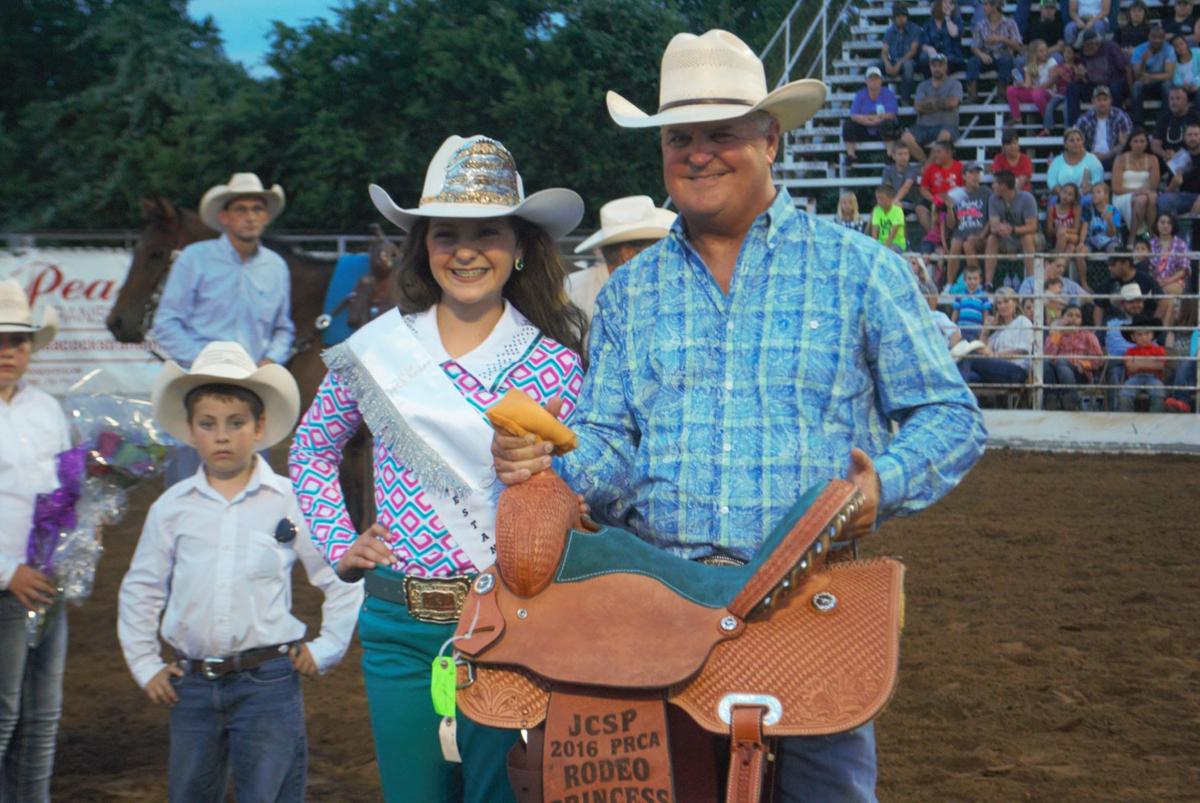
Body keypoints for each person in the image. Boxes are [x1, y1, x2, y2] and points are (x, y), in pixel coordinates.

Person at [503, 27, 986, 801]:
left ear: (771, 139)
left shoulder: (860, 269)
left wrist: (879, 485)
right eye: (679, 137)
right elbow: (612, 446)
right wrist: (555, 464)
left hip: (809, 599)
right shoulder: (631, 292)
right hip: (658, 607)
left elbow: (949, 415)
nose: (697, 152)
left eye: (721, 133)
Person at [290, 134, 587, 803]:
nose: (466, 250)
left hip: (516, 623)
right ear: (423, 245)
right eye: (446, 233)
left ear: (518, 247)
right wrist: (341, 543)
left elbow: (584, 491)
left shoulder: (557, 364)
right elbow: (310, 449)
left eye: (487, 231)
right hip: (398, 625)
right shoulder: (375, 351)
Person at [117, 341, 363, 803]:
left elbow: (342, 573)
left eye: (236, 424)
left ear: (259, 426)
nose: (223, 437)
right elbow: (141, 588)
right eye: (208, 425)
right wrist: (145, 663)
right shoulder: (171, 509)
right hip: (191, 685)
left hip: (268, 682)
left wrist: (327, 647)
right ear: (191, 432)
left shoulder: (291, 500)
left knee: (268, 794)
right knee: (191, 792)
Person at [152, 172, 294, 487]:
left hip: (251, 388)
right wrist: (209, 362)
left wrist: (271, 358)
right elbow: (165, 323)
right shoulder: (194, 259)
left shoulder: (276, 267)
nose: (250, 217)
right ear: (224, 217)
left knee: (254, 481)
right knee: (188, 484)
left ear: (266, 217)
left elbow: (284, 327)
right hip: (201, 385)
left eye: (257, 209)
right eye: (241, 209)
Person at [0, 280, 66, 803]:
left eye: (16, 342)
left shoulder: (47, 409)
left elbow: (68, 494)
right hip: (8, 586)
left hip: (46, 581)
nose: (7, 352)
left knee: (42, 715)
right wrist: (8, 572)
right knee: (3, 714)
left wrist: (77, 542)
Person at [569, 195, 676, 322]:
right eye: (659, 248)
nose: (667, 255)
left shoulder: (663, 289)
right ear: (628, 254)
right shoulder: (574, 293)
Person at [958, 287, 1034, 387]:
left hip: (1016, 369)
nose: (1002, 306)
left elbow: (1023, 350)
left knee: (969, 351)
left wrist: (996, 355)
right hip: (996, 368)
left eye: (1006, 301)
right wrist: (986, 330)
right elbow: (984, 351)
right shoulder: (998, 331)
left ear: (1015, 302)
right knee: (970, 373)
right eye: (999, 303)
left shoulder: (1022, 321)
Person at [899, 53, 962, 162]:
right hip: (923, 126)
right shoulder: (923, 86)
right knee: (905, 137)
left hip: (947, 126)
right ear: (930, 67)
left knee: (944, 136)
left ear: (946, 67)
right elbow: (918, 107)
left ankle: (927, 168)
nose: (937, 68)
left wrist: (931, 102)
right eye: (934, 65)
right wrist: (942, 104)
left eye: (940, 65)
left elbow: (952, 103)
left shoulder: (955, 84)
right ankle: (927, 165)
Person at [1043, 301, 1104, 408]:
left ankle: (1071, 399)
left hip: (1080, 374)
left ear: (1081, 320)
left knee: (1062, 361)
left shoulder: (1087, 335)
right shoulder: (1055, 334)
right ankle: (1051, 399)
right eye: (1069, 315)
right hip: (1056, 375)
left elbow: (1098, 360)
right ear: (1062, 318)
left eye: (1077, 316)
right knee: (1046, 364)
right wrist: (1059, 333)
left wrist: (1083, 365)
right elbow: (1047, 355)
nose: (1074, 318)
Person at [985, 170, 1040, 286]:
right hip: (1006, 238)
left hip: (1031, 238)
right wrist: (1000, 229)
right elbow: (993, 226)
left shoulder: (1027, 198)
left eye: (994, 183)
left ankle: (1030, 282)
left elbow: (1032, 227)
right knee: (991, 238)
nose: (992, 186)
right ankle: (988, 283)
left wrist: (1012, 229)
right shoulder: (993, 199)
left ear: (1003, 186)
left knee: (1026, 238)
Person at [1147, 212, 1192, 344]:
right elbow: (1147, 267)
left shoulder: (1180, 244)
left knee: (1168, 292)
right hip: (1154, 282)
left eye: (1169, 223)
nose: (1165, 226)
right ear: (1156, 224)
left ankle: (1152, 330)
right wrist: (1155, 281)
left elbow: (1184, 270)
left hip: (1174, 281)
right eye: (1162, 222)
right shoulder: (1151, 244)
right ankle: (1164, 335)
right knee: (1170, 300)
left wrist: (1167, 281)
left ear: (1173, 226)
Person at [967, 0, 1023, 103]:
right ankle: (972, 95)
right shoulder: (980, 25)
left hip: (1003, 56)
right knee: (972, 62)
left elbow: (1018, 46)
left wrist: (1002, 39)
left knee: (1006, 60)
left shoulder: (1010, 23)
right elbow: (974, 46)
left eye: (986, 4)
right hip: (986, 56)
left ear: (995, 6)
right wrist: (981, 54)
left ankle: (1001, 95)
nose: (983, 7)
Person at [1066, 29, 1127, 124]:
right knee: (1072, 87)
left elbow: (1124, 68)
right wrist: (1081, 76)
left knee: (1115, 87)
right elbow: (1086, 79)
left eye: (1094, 44)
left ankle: (1117, 122)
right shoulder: (1083, 54)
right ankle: (1075, 126)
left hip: (1112, 84)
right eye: (1085, 46)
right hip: (1093, 86)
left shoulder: (1110, 47)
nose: (1090, 48)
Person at [1101, 281, 1146, 406]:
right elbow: (1099, 344)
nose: (1137, 305)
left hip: (1141, 362)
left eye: (1139, 301)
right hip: (1116, 362)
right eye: (1132, 302)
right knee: (1114, 372)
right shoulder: (1109, 322)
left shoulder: (1148, 321)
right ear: (1122, 304)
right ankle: (1115, 412)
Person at [844, 66, 902, 164]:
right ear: (866, 81)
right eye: (871, 79)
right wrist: (871, 120)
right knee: (848, 125)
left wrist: (874, 120)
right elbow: (853, 115)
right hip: (865, 127)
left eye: (876, 78)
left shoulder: (888, 94)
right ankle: (851, 155)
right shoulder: (860, 94)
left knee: (888, 124)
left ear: (881, 80)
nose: (874, 81)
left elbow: (891, 113)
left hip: (882, 127)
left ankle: (890, 155)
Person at [1111, 129, 1160, 246]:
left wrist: (1144, 191)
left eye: (1142, 141)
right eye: (1135, 141)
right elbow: (1116, 188)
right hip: (1122, 195)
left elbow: (1154, 185)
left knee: (1151, 198)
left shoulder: (1153, 159)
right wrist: (1137, 191)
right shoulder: (1120, 159)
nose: (1139, 144)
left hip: (1145, 193)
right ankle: (1132, 238)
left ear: (1147, 143)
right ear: (1130, 143)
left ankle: (1152, 236)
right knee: (1142, 199)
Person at [947, 162, 991, 285]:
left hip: (979, 235)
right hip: (960, 233)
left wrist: (981, 235)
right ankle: (949, 284)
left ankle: (977, 284)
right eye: (971, 173)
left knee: (968, 244)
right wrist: (949, 208)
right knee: (956, 243)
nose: (975, 176)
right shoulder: (955, 194)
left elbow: (991, 219)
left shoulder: (986, 193)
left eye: (978, 173)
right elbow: (950, 225)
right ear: (964, 176)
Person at [1092, 252, 1163, 327]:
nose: (1109, 268)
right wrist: (1098, 329)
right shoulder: (1108, 282)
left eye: (1113, 264)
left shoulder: (1145, 279)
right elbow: (1099, 305)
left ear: (1126, 264)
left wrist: (1154, 326)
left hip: (1144, 326)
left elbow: (1163, 301)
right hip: (1116, 324)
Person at [1129, 24, 1176, 128]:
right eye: (1154, 37)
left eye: (1160, 38)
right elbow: (1137, 76)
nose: (1157, 40)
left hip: (1159, 82)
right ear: (1149, 37)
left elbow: (1169, 75)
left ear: (1164, 38)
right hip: (1145, 84)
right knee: (1137, 86)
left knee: (1168, 85)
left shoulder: (1169, 49)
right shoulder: (1139, 50)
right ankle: (1138, 124)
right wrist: (1143, 62)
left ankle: (1164, 122)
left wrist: (1150, 77)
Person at [1118, 313, 1168, 410]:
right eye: (1139, 334)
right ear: (1133, 337)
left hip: (1154, 378)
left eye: (1147, 333)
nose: (1144, 337)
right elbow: (1130, 367)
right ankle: (1126, 421)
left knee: (1159, 393)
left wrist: (1138, 363)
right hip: (1134, 378)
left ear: (1152, 334)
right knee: (1124, 394)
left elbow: (1160, 365)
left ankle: (1155, 421)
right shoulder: (1130, 351)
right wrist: (1151, 362)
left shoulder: (1159, 350)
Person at [1075, 84, 1132, 168]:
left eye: (1105, 100)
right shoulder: (1084, 119)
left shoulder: (1120, 116)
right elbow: (1076, 143)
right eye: (1098, 100)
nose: (1102, 103)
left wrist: (1106, 155)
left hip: (1114, 157)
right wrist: (1091, 155)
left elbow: (1124, 144)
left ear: (1110, 100)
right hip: (1089, 157)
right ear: (1093, 101)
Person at [918, 139, 964, 243]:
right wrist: (934, 199)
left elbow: (964, 190)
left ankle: (946, 239)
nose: (935, 155)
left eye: (938, 152)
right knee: (920, 209)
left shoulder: (960, 167)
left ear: (948, 153)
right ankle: (934, 235)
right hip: (935, 199)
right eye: (934, 152)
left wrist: (950, 198)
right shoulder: (930, 168)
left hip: (952, 201)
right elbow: (923, 189)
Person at [881, 2, 922, 106]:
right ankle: (881, 101)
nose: (901, 19)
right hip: (893, 60)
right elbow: (884, 51)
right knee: (872, 67)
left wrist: (898, 64)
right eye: (898, 16)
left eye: (903, 16)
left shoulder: (915, 29)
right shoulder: (889, 31)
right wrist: (887, 64)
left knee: (908, 66)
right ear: (894, 18)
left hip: (909, 60)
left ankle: (905, 100)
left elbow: (913, 51)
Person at [1046, 127, 1104, 200]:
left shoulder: (1092, 159)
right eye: (1072, 140)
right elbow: (1052, 181)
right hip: (1062, 197)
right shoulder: (1057, 161)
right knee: (1053, 201)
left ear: (1082, 142)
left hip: (1085, 195)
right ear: (1065, 144)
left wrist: (1082, 192)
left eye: (1078, 140)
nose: (1075, 143)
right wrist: (1065, 195)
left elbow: (1098, 179)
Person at [1006, 40, 1055, 126]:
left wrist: (1036, 88)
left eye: (1045, 50)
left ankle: (1048, 121)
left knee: (1037, 94)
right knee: (1011, 90)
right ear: (1034, 53)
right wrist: (1021, 84)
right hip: (1034, 91)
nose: (1045, 53)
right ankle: (1017, 118)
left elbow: (1051, 82)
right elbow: (1027, 84)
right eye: (1041, 51)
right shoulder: (1029, 65)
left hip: (1048, 92)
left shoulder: (1051, 61)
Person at [1151, 86, 1200, 168]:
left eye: (1178, 99)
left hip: (1193, 158)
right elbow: (1155, 145)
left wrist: (1183, 155)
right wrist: (1165, 154)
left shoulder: (1196, 117)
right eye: (1171, 99)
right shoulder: (1164, 119)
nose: (1174, 102)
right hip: (1169, 160)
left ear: (1186, 101)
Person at [1046, 183, 1087, 279]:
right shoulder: (1052, 208)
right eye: (1064, 192)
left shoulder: (1076, 209)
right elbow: (1049, 231)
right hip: (1058, 240)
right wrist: (1057, 230)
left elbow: (1076, 230)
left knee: (1063, 234)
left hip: (1073, 237)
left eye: (1070, 194)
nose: (1066, 196)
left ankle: (1054, 262)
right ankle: (1059, 275)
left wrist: (1064, 230)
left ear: (1074, 198)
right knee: (1071, 248)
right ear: (1060, 193)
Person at [1158, 122, 1200, 216]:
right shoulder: (1179, 157)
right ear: (1185, 138)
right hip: (1185, 196)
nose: (1193, 138)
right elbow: (1168, 191)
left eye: (1196, 135)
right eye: (1189, 135)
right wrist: (1174, 184)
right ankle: (1174, 230)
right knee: (1164, 200)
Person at [921, 0, 967, 75]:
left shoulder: (956, 21)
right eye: (945, 2)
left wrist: (947, 17)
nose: (947, 5)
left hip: (952, 57)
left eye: (950, 3)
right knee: (924, 58)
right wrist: (929, 49)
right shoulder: (929, 23)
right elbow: (923, 44)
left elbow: (954, 34)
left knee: (947, 61)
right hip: (934, 57)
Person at [882, 141, 923, 222]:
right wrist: (887, 201)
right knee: (876, 209)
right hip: (893, 201)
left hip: (911, 205)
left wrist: (894, 201)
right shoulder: (888, 170)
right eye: (900, 154)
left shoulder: (912, 170)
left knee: (895, 207)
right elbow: (886, 188)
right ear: (893, 156)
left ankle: (899, 234)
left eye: (906, 154)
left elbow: (906, 187)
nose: (903, 157)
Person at [1081, 181, 1124, 257]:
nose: (1094, 195)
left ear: (1106, 195)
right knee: (1080, 253)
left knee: (1114, 250)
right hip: (1092, 241)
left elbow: (1111, 234)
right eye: (1092, 193)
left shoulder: (1111, 210)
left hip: (1109, 241)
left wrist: (1109, 221)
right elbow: (1085, 227)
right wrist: (1081, 242)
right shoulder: (1088, 210)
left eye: (1098, 192)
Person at [952, 265, 992, 339]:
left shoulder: (983, 296)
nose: (972, 281)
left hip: (977, 331)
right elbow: (956, 312)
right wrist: (952, 326)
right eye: (969, 279)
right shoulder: (960, 295)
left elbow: (985, 313)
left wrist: (984, 329)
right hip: (961, 330)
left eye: (975, 279)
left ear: (980, 280)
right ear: (965, 280)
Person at [1165, 326, 1199, 411]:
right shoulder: (1197, 332)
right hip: (1197, 364)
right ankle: (1181, 400)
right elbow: (1193, 354)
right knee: (1185, 361)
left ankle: (1177, 399)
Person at [991, 128, 1034, 192]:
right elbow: (998, 179)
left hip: (1022, 194)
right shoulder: (998, 159)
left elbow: (1022, 182)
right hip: (1003, 194)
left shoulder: (1025, 159)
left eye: (1014, 143)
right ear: (1003, 147)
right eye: (1008, 144)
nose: (1012, 146)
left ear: (1018, 145)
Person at [871, 183, 908, 252]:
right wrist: (874, 246)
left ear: (891, 199)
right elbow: (874, 233)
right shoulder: (877, 210)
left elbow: (893, 232)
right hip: (881, 243)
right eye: (877, 198)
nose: (879, 201)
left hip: (896, 243)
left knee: (888, 251)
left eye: (881, 198)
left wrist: (883, 248)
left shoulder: (898, 211)